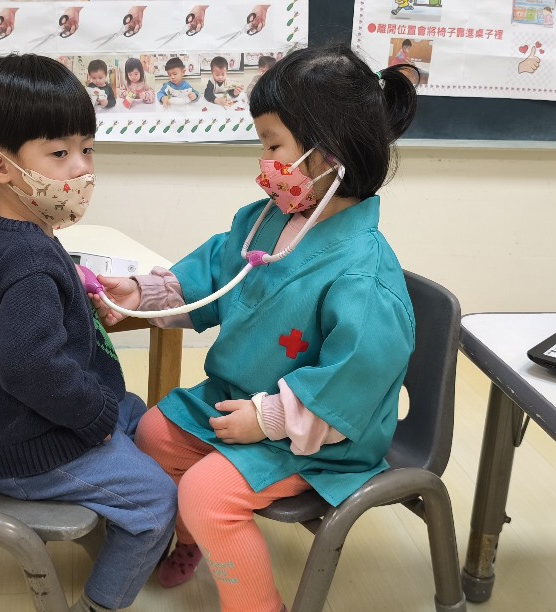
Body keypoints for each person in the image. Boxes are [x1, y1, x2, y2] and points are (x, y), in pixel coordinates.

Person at [90, 45, 422, 612]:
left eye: (273, 146)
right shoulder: (264, 222)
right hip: (236, 399)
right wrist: (142, 293)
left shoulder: (364, 277)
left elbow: (353, 382)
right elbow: (210, 277)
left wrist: (267, 420)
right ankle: (193, 539)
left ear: (329, 155)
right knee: (153, 434)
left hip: (317, 435)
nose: (264, 163)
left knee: (206, 493)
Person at [0, 53, 177, 612]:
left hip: (19, 423)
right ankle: (102, 601)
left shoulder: (7, 235)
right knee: (157, 502)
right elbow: (29, 365)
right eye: (59, 154)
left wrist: (72, 292)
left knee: (140, 415)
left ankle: (128, 526)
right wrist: (93, 417)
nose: (82, 168)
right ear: (0, 167)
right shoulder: (29, 259)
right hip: (32, 448)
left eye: (87, 149)